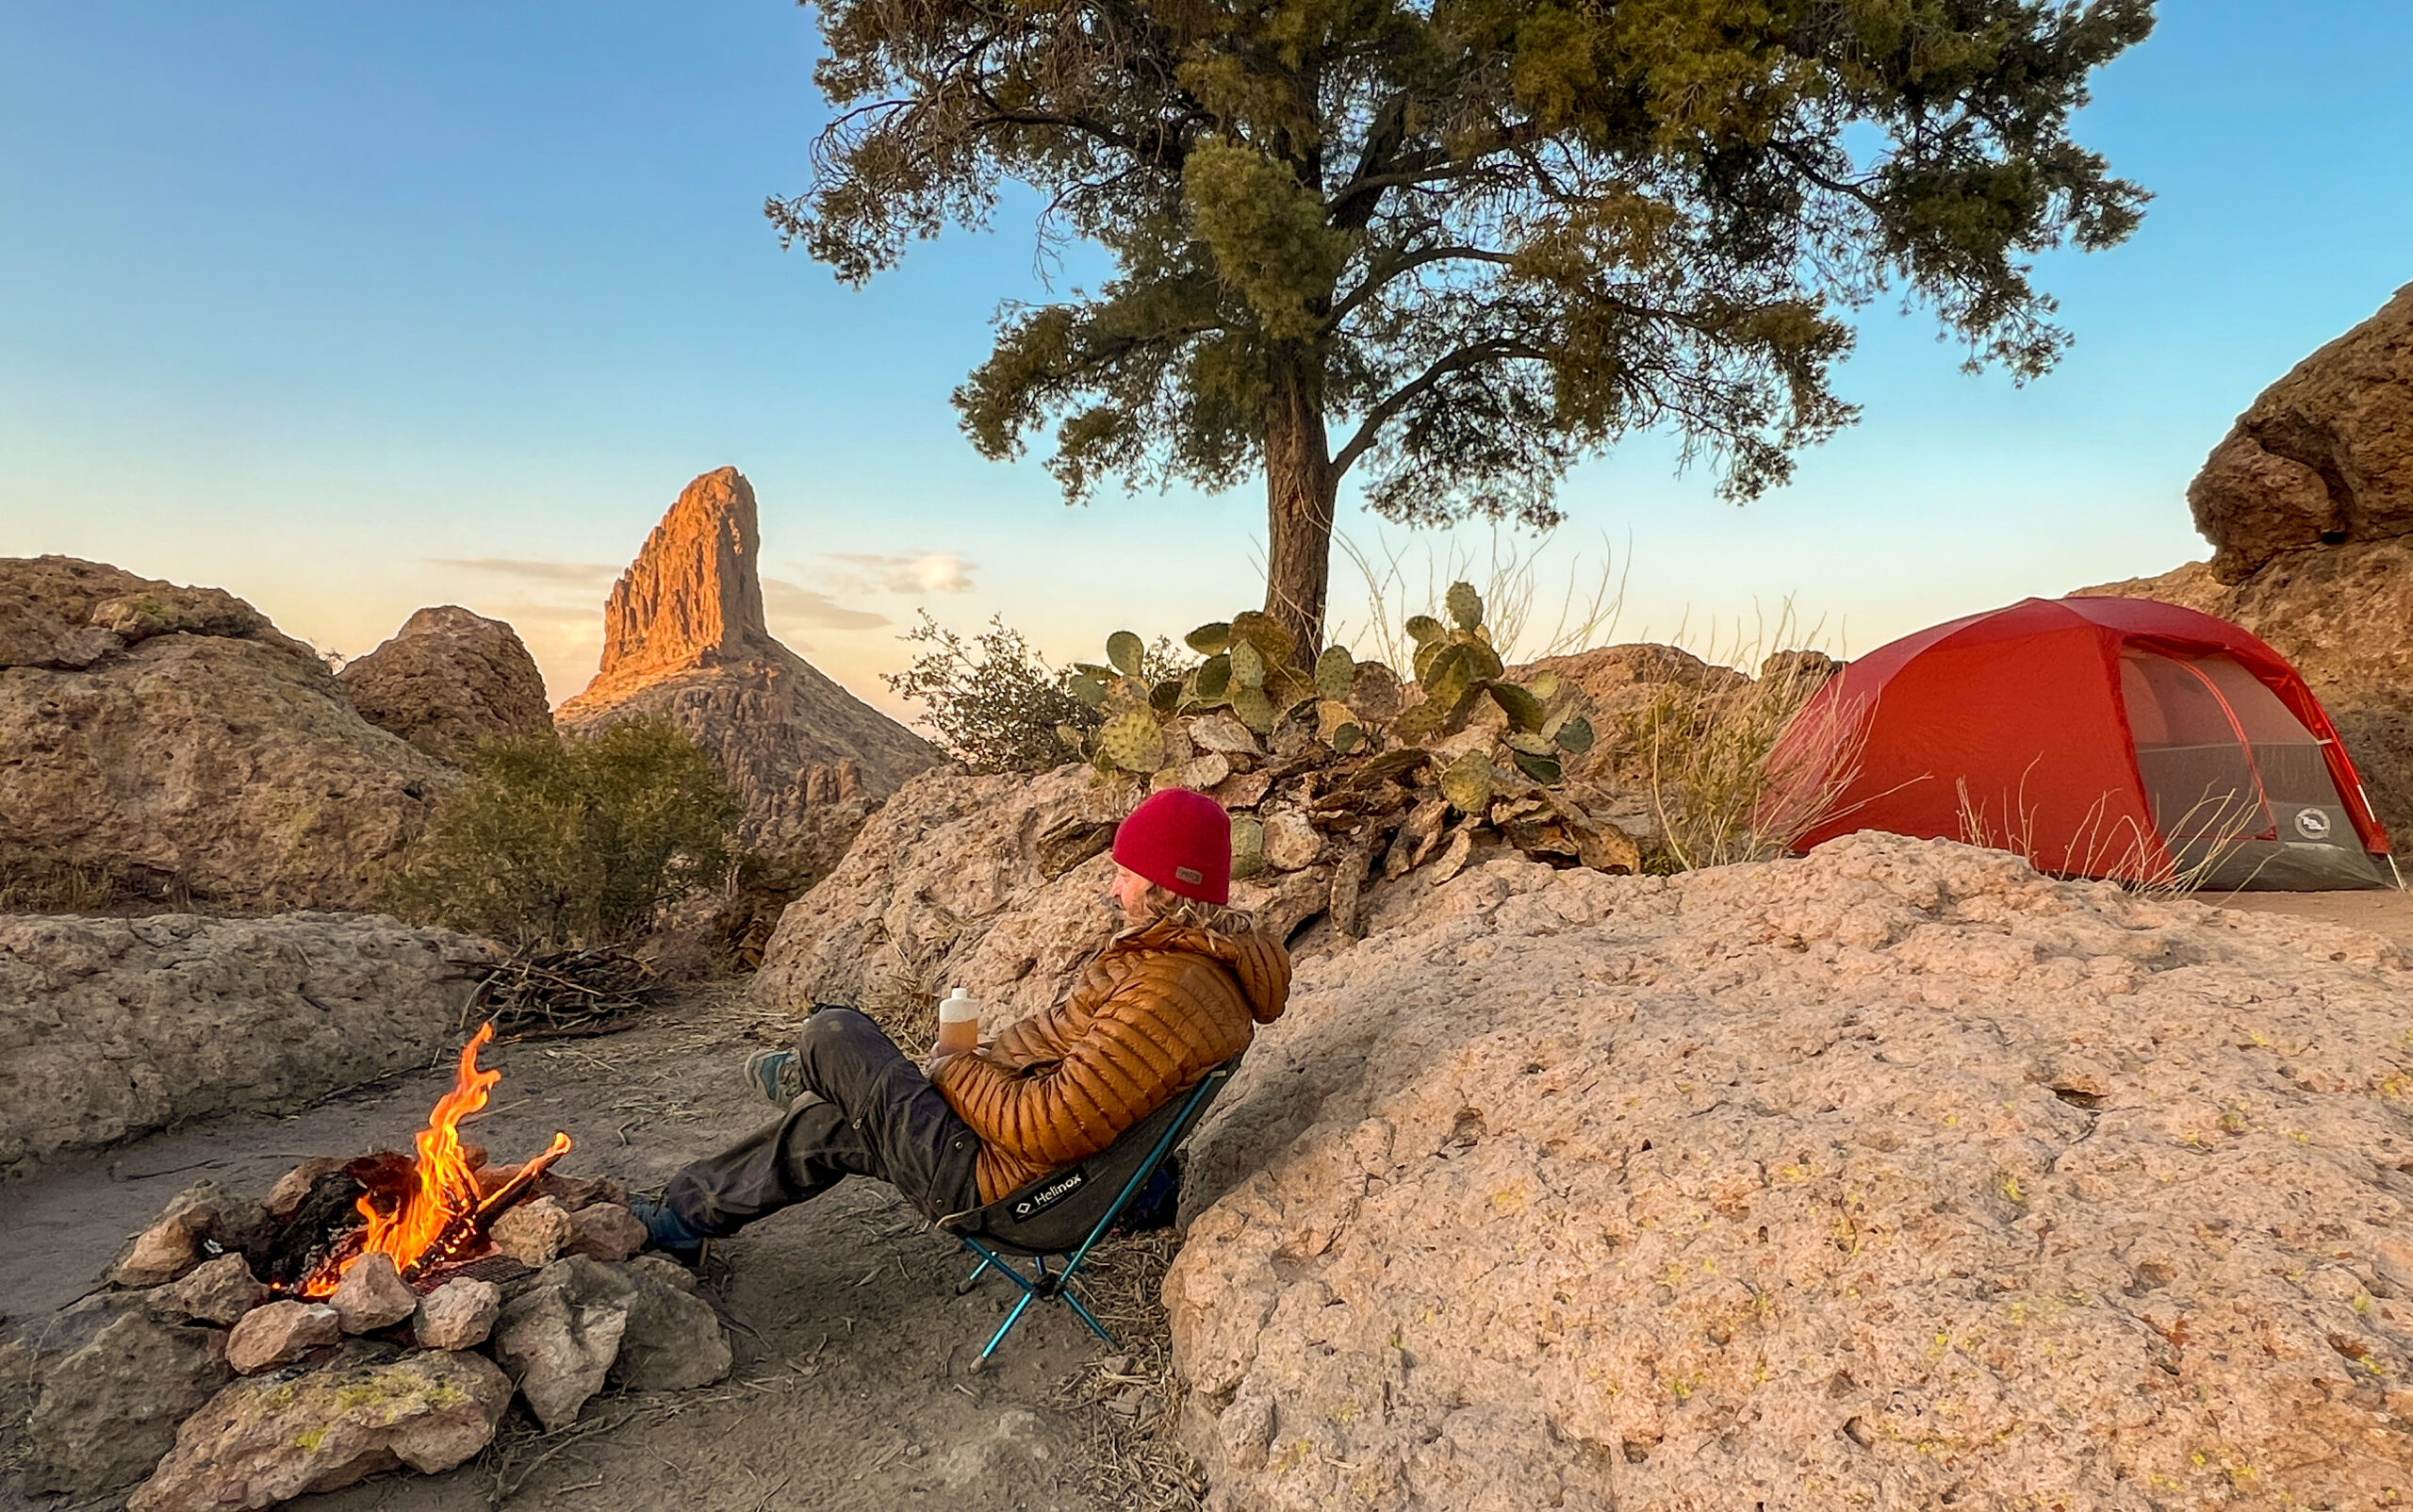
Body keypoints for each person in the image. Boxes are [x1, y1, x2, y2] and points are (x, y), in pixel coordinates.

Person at [632, 788, 1290, 1262]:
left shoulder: (1169, 992)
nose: (1113, 889)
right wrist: (973, 1068)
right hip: (1006, 1156)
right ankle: (676, 1222)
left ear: (1165, 885)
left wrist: (953, 1065)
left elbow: (1052, 1126)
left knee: (834, 1033)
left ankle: (810, 1074)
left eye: (1125, 874)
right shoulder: (1186, 970)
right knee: (827, 1124)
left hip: (1006, 1190)